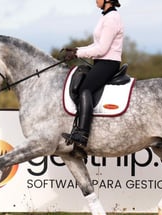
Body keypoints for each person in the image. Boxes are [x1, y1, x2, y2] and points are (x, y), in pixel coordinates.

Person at [62, 0, 124, 148]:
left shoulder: (112, 18)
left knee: (85, 89)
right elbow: (96, 44)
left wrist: (79, 54)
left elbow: (102, 49)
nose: (95, 0)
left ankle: (82, 133)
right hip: (101, 62)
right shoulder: (106, 17)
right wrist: (77, 49)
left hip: (108, 63)